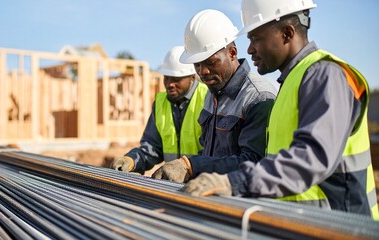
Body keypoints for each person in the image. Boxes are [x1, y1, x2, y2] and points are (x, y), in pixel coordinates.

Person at [183, 0, 379, 220]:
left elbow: (310, 158)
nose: (249, 49)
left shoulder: (326, 76)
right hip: (301, 223)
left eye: (256, 38)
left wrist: (234, 181)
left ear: (287, 33)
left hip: (340, 226)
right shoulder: (293, 82)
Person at [152, 10, 277, 183]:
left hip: (243, 204)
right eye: (197, 64)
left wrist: (192, 165)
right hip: (212, 196)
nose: (203, 72)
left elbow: (254, 163)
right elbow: (210, 153)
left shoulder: (258, 97)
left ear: (232, 53)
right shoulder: (213, 93)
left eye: (211, 62)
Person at [110, 46, 208, 174]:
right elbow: (153, 147)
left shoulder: (207, 99)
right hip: (171, 183)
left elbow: (212, 152)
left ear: (192, 78)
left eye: (176, 79)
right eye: (166, 78)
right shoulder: (160, 103)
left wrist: (188, 167)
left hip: (201, 183)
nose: (169, 84)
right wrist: (133, 159)